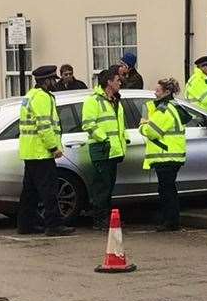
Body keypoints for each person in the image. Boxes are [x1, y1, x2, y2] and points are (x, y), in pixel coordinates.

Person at [17, 65, 73, 236]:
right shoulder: (43, 97)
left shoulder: (30, 95)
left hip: (29, 151)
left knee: (30, 192)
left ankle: (25, 225)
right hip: (41, 151)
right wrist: (53, 147)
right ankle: (54, 225)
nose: (55, 83)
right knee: (49, 190)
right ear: (46, 81)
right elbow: (44, 126)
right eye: (53, 80)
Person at [80, 68, 128, 224]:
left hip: (113, 150)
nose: (120, 82)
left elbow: (120, 125)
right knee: (101, 187)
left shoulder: (115, 100)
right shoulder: (93, 100)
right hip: (102, 149)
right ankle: (99, 219)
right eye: (117, 80)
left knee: (108, 186)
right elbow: (88, 124)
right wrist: (105, 139)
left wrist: (123, 139)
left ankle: (105, 217)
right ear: (109, 82)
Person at [141, 77, 186, 231]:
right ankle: (171, 220)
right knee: (168, 188)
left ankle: (170, 221)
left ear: (167, 92)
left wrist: (143, 125)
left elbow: (152, 132)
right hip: (171, 155)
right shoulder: (172, 106)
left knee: (166, 190)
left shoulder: (164, 109)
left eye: (158, 90)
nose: (155, 93)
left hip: (166, 155)